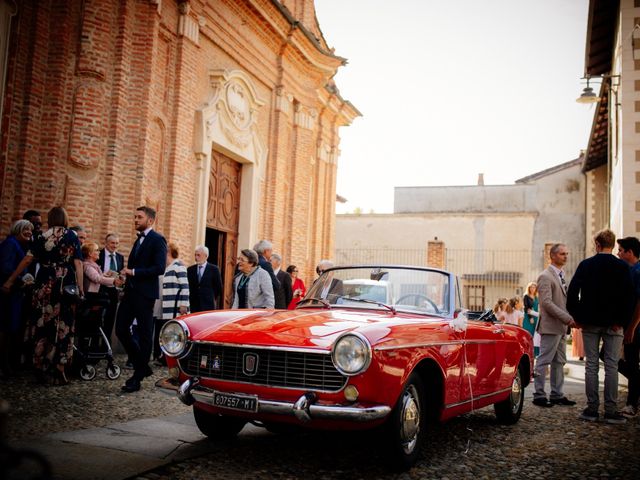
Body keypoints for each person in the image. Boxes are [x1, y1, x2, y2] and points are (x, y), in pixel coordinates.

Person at [3, 207, 83, 385]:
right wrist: (80, 288)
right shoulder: (72, 236)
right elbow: (78, 263)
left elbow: (27, 260)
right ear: (65, 219)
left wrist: (10, 280)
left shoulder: (41, 237)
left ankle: (39, 367)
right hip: (64, 284)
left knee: (42, 324)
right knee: (63, 327)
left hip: (45, 284)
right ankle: (59, 371)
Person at [567, 229, 635, 424]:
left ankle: (592, 409)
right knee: (612, 366)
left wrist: (578, 316)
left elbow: (572, 293)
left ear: (597, 244)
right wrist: (621, 321)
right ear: (613, 245)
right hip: (614, 324)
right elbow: (629, 297)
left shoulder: (586, 265)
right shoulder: (622, 267)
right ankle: (611, 410)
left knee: (591, 365)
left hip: (590, 322)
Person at [116, 206, 167, 393]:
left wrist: (134, 272)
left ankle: (137, 378)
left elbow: (159, 268)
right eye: (134, 217)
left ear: (150, 220)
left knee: (145, 334)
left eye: (139, 217)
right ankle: (142, 365)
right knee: (121, 329)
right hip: (130, 293)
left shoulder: (157, 239)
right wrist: (125, 277)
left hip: (145, 295)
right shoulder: (138, 241)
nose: (135, 220)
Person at [532, 243, 577, 408]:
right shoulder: (545, 276)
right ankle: (539, 395)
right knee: (544, 361)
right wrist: (567, 318)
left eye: (567, 253)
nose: (566, 256)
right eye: (562, 254)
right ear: (552, 256)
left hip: (561, 327)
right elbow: (546, 303)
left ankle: (557, 395)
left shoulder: (561, 275)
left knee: (559, 361)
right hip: (550, 326)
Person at [0, 220, 34, 378]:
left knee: (11, 329)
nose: (29, 232)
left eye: (30, 230)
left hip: (16, 293)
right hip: (8, 292)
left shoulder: (19, 245)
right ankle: (4, 366)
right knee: (5, 328)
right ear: (17, 229)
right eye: (26, 229)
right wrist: (21, 279)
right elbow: (5, 267)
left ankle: (8, 364)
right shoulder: (10, 244)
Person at [153, 242, 189, 365]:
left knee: (174, 333)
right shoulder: (167, 268)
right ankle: (165, 358)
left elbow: (185, 287)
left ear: (168, 252)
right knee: (167, 333)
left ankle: (173, 359)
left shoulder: (178, 266)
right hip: (165, 307)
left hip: (175, 307)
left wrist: (184, 304)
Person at [617, 236, 640, 416]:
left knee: (631, 363)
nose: (618, 253)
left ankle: (632, 404)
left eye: (621, 250)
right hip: (629, 326)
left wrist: (631, 327)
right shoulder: (630, 270)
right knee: (630, 364)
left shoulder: (638, 272)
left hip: (635, 327)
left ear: (630, 253)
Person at [98, 233, 125, 343]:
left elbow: (121, 274)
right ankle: (95, 346)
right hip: (100, 290)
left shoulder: (120, 257)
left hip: (113, 292)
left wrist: (122, 278)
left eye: (117, 243)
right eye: (112, 243)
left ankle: (106, 347)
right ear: (106, 243)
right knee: (98, 319)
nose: (114, 246)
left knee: (110, 319)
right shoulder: (99, 254)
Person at [187, 245, 223, 312]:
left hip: (208, 306)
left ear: (206, 256)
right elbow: (188, 287)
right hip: (193, 306)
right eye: (195, 255)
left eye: (198, 255)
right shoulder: (190, 270)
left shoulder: (214, 269)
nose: (196, 257)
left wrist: (210, 297)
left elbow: (218, 287)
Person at [523, 282, 540, 356]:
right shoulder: (526, 296)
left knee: (535, 335)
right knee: (528, 334)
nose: (532, 289)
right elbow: (526, 308)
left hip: (536, 317)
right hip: (528, 317)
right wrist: (530, 318)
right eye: (531, 287)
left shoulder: (537, 297)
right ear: (529, 288)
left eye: (534, 287)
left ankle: (535, 353)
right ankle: (527, 351)